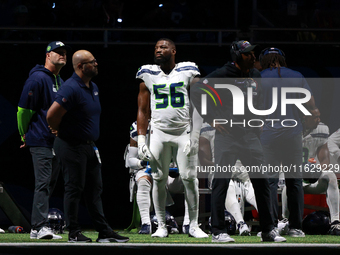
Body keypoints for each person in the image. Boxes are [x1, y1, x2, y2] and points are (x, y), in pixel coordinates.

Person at [190, 40, 285, 242]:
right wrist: (211, 119)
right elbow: (197, 90)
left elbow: (259, 100)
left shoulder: (255, 75)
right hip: (228, 137)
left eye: (253, 53)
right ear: (237, 56)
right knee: (221, 182)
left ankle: (268, 229)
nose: (253, 56)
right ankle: (218, 231)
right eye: (248, 54)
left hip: (250, 136)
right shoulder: (223, 74)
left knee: (262, 182)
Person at [46, 50, 129, 243]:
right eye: (93, 62)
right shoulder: (71, 88)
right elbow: (51, 115)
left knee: (95, 190)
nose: (97, 64)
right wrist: (59, 130)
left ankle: (104, 232)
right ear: (81, 67)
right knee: (74, 189)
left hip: (89, 147)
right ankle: (73, 232)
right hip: (70, 145)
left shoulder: (93, 87)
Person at [136, 38, 208, 238]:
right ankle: (161, 225)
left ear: (174, 51)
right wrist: (141, 140)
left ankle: (193, 225)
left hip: (182, 130)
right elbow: (142, 109)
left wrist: (195, 135)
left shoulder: (188, 70)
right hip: (158, 132)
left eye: (163, 47)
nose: (159, 50)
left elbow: (199, 103)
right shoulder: (147, 73)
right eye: (156, 47)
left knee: (189, 177)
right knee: (158, 179)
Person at [260, 47, 316, 237]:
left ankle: (271, 227)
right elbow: (312, 107)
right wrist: (305, 128)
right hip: (292, 134)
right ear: (282, 60)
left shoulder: (258, 77)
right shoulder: (297, 75)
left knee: (269, 182)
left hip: (267, 134)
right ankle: (295, 227)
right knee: (294, 181)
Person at [17, 41, 71, 240]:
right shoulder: (38, 78)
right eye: (58, 52)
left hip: (55, 141)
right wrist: (24, 134)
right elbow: (23, 110)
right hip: (39, 139)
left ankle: (38, 227)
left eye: (64, 52)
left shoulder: (60, 81)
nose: (62, 55)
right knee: (42, 183)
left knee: (48, 184)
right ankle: (39, 226)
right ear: (47, 55)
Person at [281, 108, 340, 235]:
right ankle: (284, 221)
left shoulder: (322, 129)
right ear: (304, 118)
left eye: (319, 116)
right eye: (314, 117)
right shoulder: (287, 128)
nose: (318, 120)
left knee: (330, 175)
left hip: (311, 177)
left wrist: (317, 171)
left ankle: (335, 222)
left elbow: (324, 158)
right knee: (288, 184)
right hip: (293, 177)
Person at [125, 120, 190, 234]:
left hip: (172, 171)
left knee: (190, 179)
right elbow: (131, 160)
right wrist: (145, 164)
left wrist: (177, 168)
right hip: (148, 169)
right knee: (143, 180)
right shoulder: (137, 127)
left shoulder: (175, 123)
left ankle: (188, 223)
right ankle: (146, 223)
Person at [198, 122, 257, 236]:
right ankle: (241, 224)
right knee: (227, 185)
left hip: (242, 166)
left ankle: (269, 224)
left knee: (253, 188)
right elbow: (204, 161)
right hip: (219, 166)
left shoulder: (240, 122)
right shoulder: (207, 127)